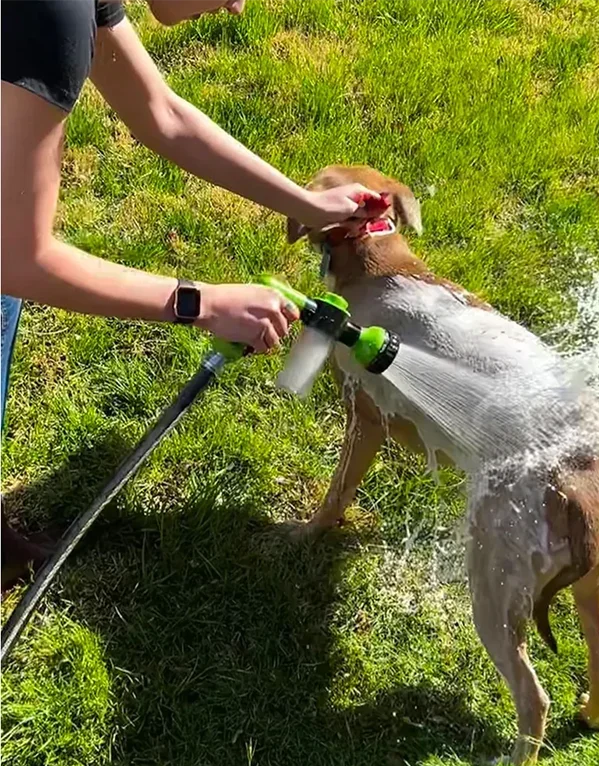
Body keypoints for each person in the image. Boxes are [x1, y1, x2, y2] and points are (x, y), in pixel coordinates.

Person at [0, 0, 380, 590]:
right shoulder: (44, 15)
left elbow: (162, 114)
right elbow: (18, 259)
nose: (238, 6)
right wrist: (200, 303)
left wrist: (307, 206)